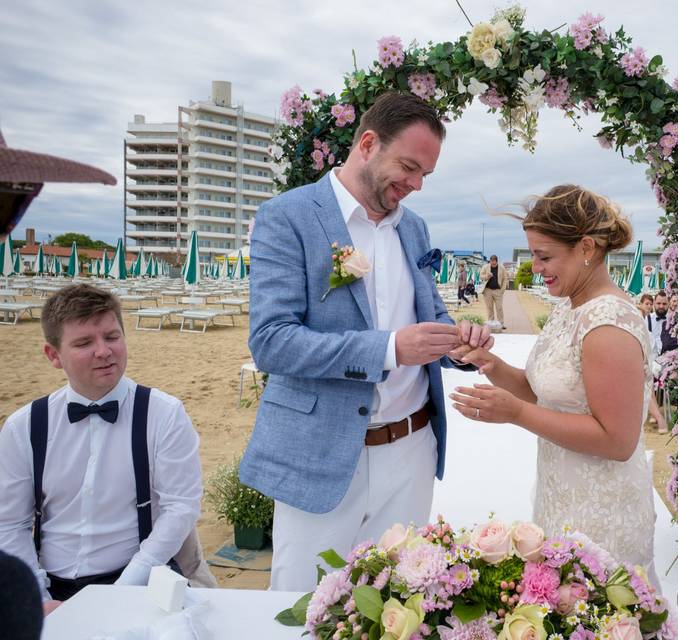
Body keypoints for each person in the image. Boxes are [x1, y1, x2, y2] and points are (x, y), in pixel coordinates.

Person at [240, 92, 492, 592]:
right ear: (367, 144)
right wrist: (389, 349)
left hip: (413, 447)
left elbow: (428, 317)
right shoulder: (287, 216)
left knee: (401, 602)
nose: (416, 185)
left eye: (425, 175)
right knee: (304, 605)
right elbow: (272, 342)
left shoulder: (414, 229)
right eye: (408, 167)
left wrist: (459, 342)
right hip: (323, 452)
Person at [449, 185, 659, 582]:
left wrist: (516, 414)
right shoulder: (570, 308)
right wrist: (489, 363)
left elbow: (617, 440)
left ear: (585, 248)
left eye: (545, 257)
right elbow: (540, 389)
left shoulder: (608, 323)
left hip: (603, 513)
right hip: (561, 495)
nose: (538, 267)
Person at [0, 284, 202, 611]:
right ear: (53, 355)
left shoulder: (164, 413)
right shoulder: (23, 426)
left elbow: (181, 508)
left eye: (112, 337)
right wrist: (35, 595)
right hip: (49, 585)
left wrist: (121, 590)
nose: (104, 351)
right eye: (84, 343)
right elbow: (10, 523)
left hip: (141, 579)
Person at [637, 293, 669, 435]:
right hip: (650, 360)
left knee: (645, 378)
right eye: (658, 303)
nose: (660, 306)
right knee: (645, 377)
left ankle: (655, 414)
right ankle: (658, 416)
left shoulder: (671, 320)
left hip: (666, 361)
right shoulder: (646, 320)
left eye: (664, 304)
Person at [480, 254, 507, 327]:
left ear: (497, 261)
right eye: (492, 263)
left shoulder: (502, 268)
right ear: (490, 261)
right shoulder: (485, 267)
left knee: (499, 307)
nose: (493, 264)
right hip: (487, 290)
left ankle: (501, 323)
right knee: (489, 307)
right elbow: (481, 276)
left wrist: (502, 290)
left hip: (498, 290)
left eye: (494, 263)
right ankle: (490, 323)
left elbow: (505, 279)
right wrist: (487, 276)